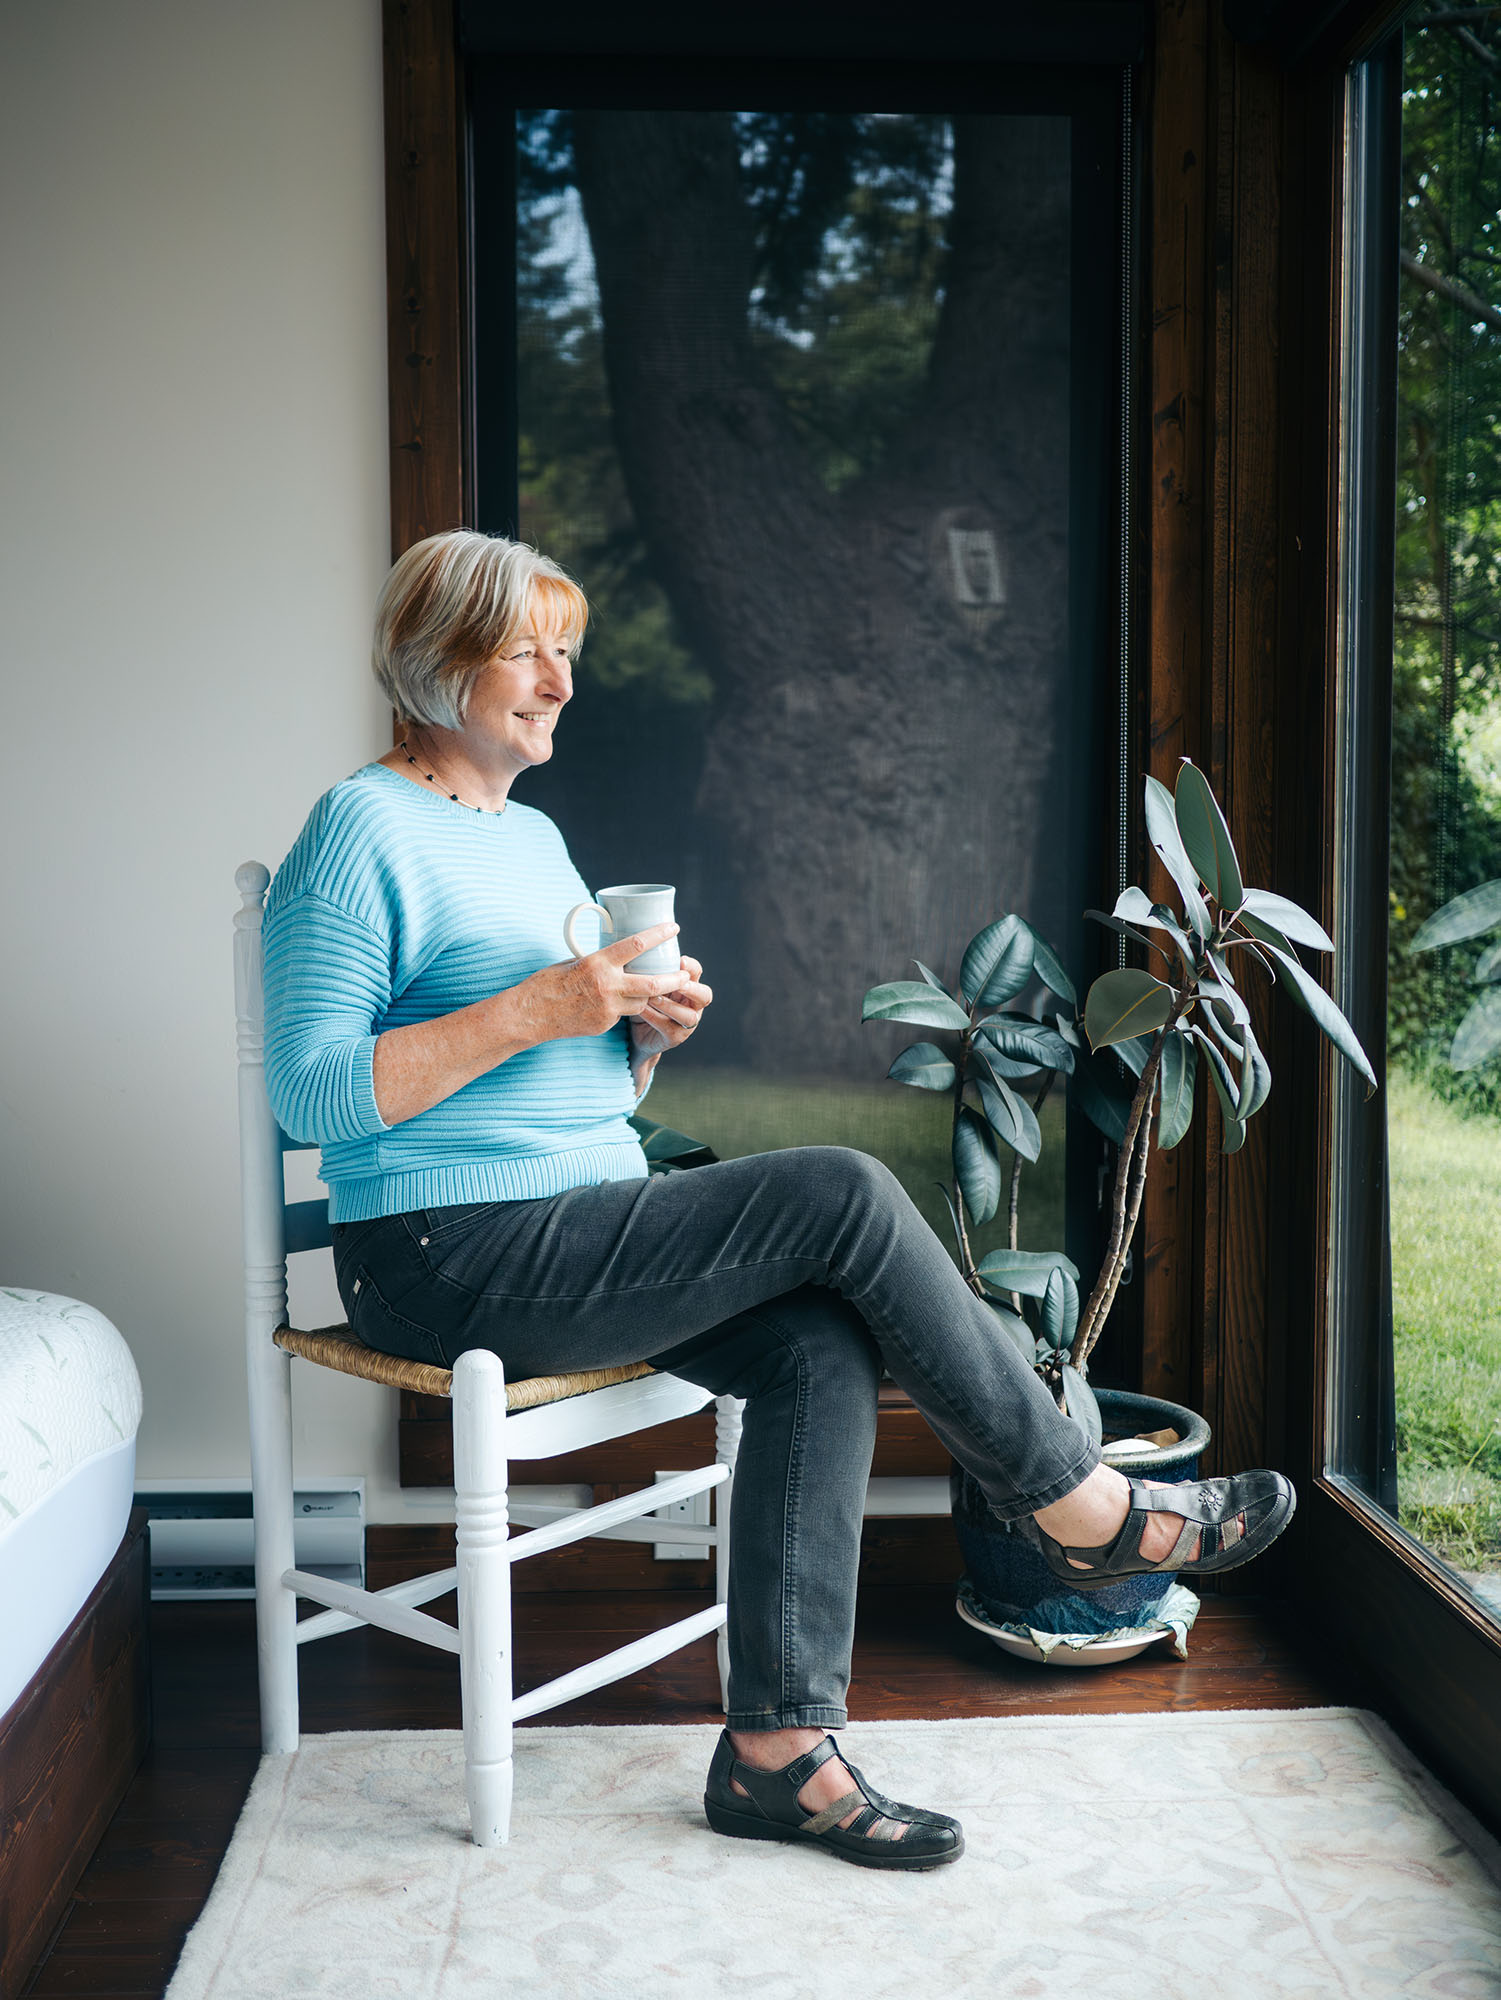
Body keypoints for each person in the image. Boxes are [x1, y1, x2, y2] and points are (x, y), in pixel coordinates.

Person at [262, 529, 1296, 1872]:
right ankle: (1076, 1503)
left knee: (816, 1342)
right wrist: (538, 1009)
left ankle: (775, 1754)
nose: (561, 682)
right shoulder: (359, 828)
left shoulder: (531, 838)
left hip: (575, 1225)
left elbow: (558, 1085)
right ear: (435, 655)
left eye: (566, 653)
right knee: (842, 1193)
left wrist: (634, 1038)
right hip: (438, 1252)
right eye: (529, 649)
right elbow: (313, 1094)